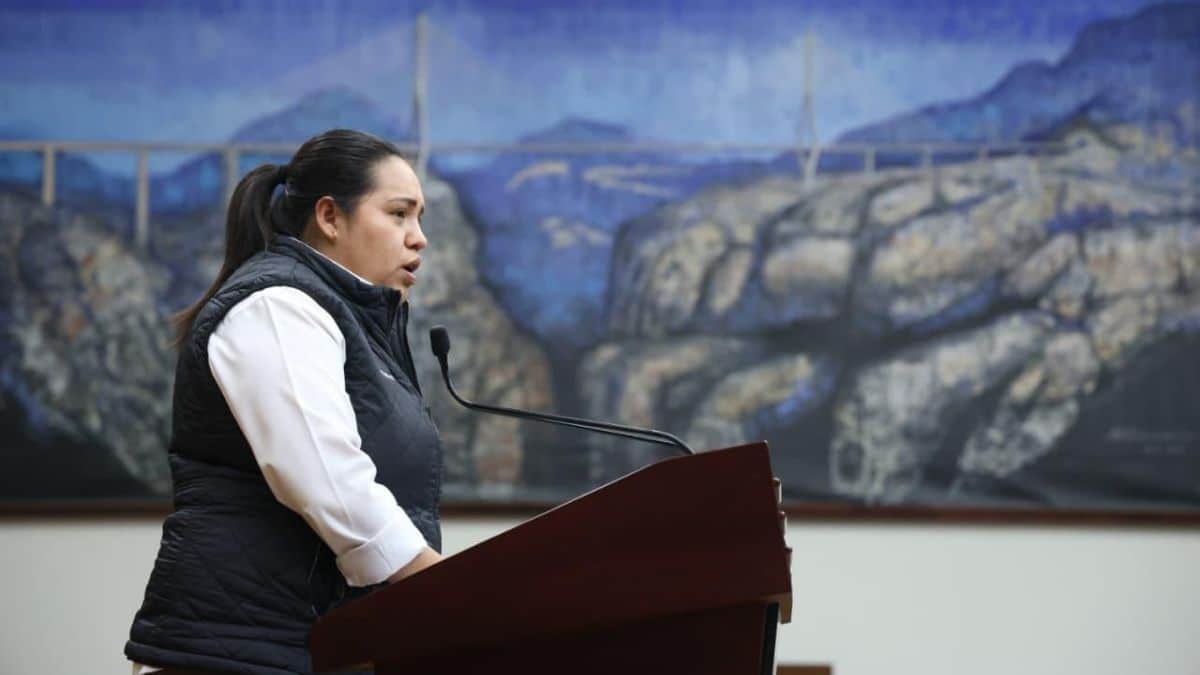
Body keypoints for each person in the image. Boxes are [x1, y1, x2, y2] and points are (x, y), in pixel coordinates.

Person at [125, 128, 445, 675]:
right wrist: (446, 590)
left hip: (309, 646)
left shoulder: (348, 320)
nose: (419, 239)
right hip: (235, 651)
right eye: (398, 214)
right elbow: (327, 477)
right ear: (330, 217)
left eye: (420, 218)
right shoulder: (276, 307)